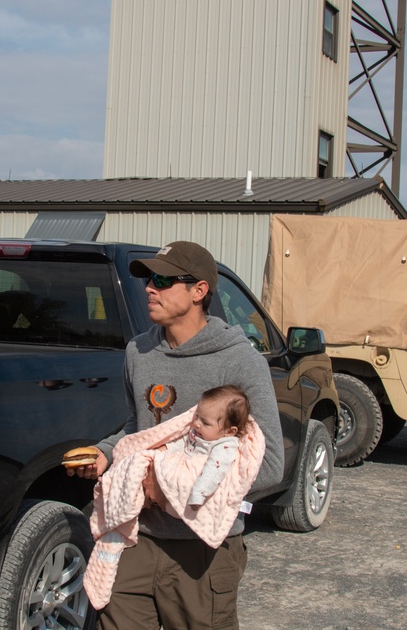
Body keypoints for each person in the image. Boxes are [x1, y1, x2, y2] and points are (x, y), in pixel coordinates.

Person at [69, 241, 284, 630]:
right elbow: (139, 429)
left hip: (201, 552)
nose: (150, 287)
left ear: (199, 291)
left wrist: (166, 488)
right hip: (136, 539)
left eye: (164, 280)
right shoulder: (139, 351)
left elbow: (267, 466)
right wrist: (104, 454)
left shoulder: (239, 361)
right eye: (149, 279)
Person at [83, 384, 264, 611]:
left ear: (230, 431)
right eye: (197, 417)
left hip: (195, 539)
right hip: (143, 539)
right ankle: (121, 514)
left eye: (205, 422)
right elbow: (159, 432)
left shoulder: (225, 446)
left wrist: (185, 492)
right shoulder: (198, 432)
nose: (196, 424)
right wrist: (145, 453)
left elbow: (214, 473)